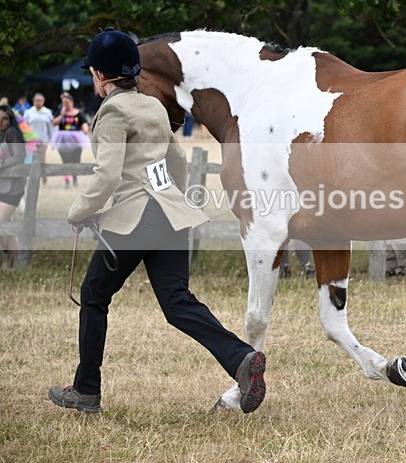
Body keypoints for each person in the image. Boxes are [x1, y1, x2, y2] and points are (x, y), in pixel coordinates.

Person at [48, 27, 265, 414]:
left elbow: (107, 175)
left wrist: (78, 211)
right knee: (178, 302)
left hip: (136, 220)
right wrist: (169, 199)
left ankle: (86, 390)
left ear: (100, 74)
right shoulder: (152, 106)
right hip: (170, 216)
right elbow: (177, 162)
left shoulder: (111, 111)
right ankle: (241, 358)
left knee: (94, 296)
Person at [0, 104, 27, 266]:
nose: (1, 122)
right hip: (3, 187)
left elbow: (19, 156)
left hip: (13, 189)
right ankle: (15, 261)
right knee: (8, 225)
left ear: (10, 119)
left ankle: (7, 257)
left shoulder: (12, 132)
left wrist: (2, 164)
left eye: (4, 119)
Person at [51, 92, 90, 188]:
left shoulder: (78, 113)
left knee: (76, 160)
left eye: (67, 102)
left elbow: (84, 123)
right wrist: (61, 115)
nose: (65, 104)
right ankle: (67, 181)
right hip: (63, 140)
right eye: (63, 103)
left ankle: (75, 178)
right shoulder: (61, 112)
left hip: (76, 141)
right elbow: (54, 123)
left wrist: (85, 129)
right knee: (66, 161)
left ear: (72, 102)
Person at [23, 92, 53, 182]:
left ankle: (44, 176)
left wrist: (51, 139)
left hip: (43, 140)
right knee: (30, 159)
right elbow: (24, 126)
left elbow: (50, 127)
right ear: (33, 101)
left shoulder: (47, 112)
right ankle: (31, 177)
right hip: (31, 141)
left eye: (40, 100)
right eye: (37, 100)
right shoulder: (28, 112)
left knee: (42, 160)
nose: (38, 102)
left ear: (43, 101)